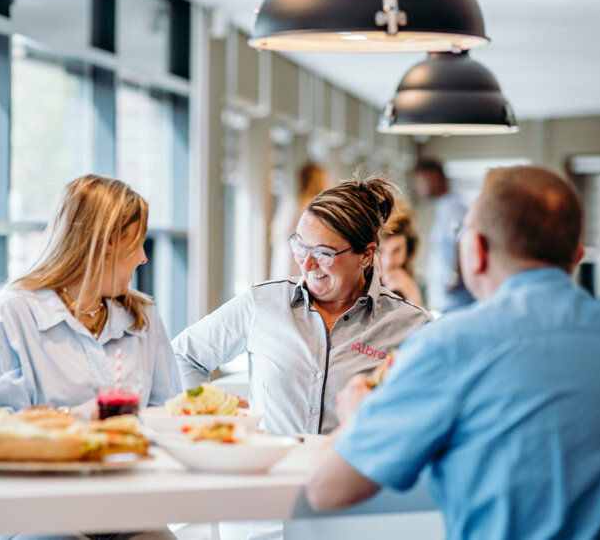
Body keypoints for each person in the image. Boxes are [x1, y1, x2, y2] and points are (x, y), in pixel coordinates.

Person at [306, 166, 600, 538]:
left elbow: (327, 490)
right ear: (577, 254)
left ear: (476, 251)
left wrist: (358, 417)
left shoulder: (450, 346)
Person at [173, 176, 430, 436]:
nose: (306, 263)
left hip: (351, 463)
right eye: (300, 246)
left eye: (324, 253)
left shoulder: (411, 327)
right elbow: (183, 355)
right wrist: (209, 413)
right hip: (270, 462)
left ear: (366, 254)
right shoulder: (262, 303)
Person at [0, 174, 181, 418]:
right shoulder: (9, 315)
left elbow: (168, 417)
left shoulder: (143, 318)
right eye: (137, 243)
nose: (143, 258)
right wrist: (75, 416)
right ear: (108, 242)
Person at [412, 158, 474, 313]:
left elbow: (464, 240)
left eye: (420, 181)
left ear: (434, 178)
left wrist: (455, 278)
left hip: (454, 296)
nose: (418, 187)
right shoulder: (443, 205)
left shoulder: (453, 207)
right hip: (445, 297)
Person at [269, 161, 331, 279]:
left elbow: (276, 235)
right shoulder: (315, 207)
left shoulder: (290, 203)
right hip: (300, 261)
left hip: (284, 260)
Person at [375, 210, 423, 307]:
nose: (388, 262)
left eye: (396, 250)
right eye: (380, 251)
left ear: (408, 249)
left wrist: (413, 297)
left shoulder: (419, 283)